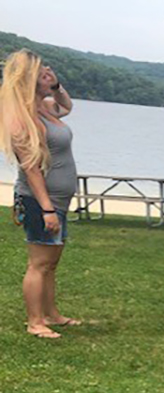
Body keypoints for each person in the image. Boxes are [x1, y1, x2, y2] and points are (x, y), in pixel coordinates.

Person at [0, 49, 80, 338]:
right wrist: (46, 209)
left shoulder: (44, 107)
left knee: (52, 262)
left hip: (58, 199)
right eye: (42, 71)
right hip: (38, 200)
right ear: (29, 77)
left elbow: (67, 106)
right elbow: (32, 169)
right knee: (39, 262)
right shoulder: (20, 118)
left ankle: (52, 314)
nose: (47, 73)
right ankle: (35, 322)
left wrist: (56, 85)